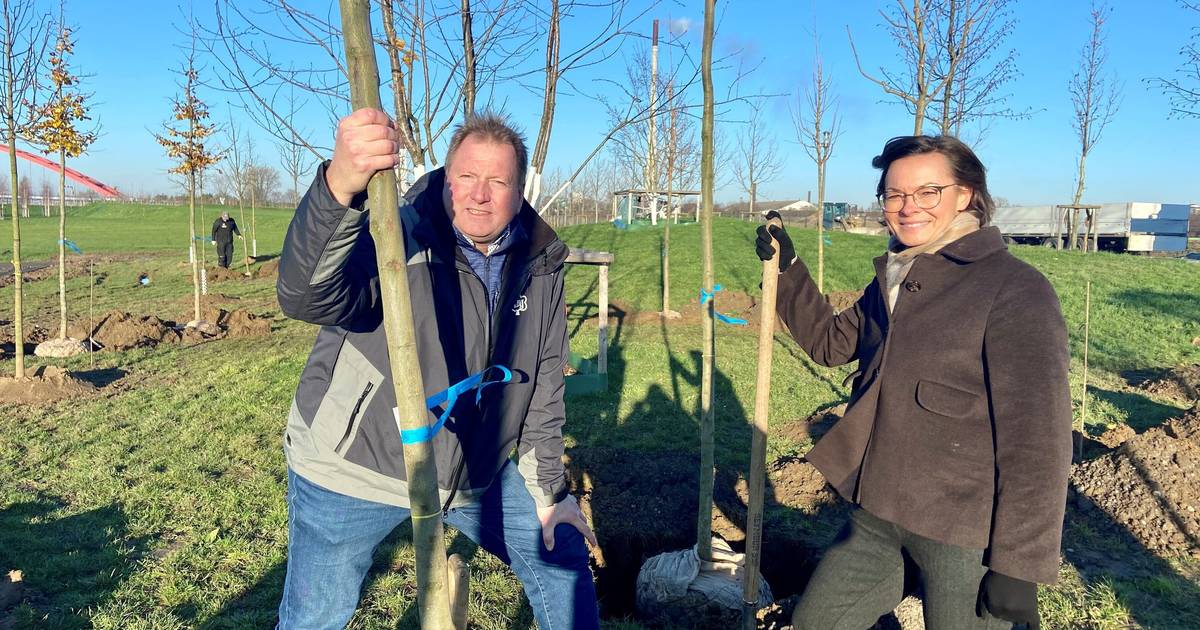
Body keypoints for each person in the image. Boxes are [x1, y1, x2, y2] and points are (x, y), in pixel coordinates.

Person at [275, 109, 600, 629]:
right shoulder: (397, 231)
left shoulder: (541, 267)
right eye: (467, 177)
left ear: (521, 192)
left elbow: (541, 385)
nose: (479, 194)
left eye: (498, 181)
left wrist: (548, 493)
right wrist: (339, 184)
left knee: (560, 553)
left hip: (472, 471)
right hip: (357, 462)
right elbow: (305, 293)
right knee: (316, 615)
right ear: (447, 179)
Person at [755, 135, 1071, 630]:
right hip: (877, 517)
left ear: (965, 195)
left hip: (964, 532)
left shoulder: (1015, 289)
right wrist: (789, 271)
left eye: (928, 192)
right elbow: (832, 344)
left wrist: (1019, 563)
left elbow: (1037, 438)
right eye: (895, 195)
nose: (907, 208)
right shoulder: (897, 276)